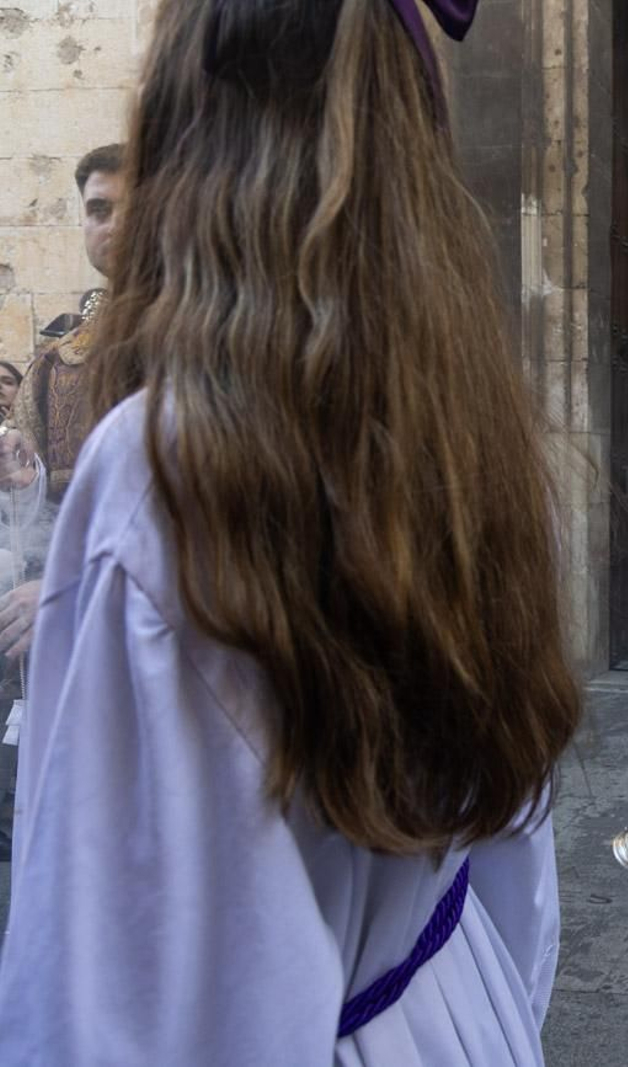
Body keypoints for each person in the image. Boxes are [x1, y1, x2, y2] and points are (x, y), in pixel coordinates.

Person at [0, 2, 583, 1062]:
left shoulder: (168, 470)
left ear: (191, 135)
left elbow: (120, 997)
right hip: (459, 1011)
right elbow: (518, 880)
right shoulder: (485, 446)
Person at [0, 144, 124, 665]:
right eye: (99, 210)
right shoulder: (54, 365)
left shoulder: (224, 346)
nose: (116, 225)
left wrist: (75, 589)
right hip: (63, 634)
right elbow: (33, 509)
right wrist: (23, 479)